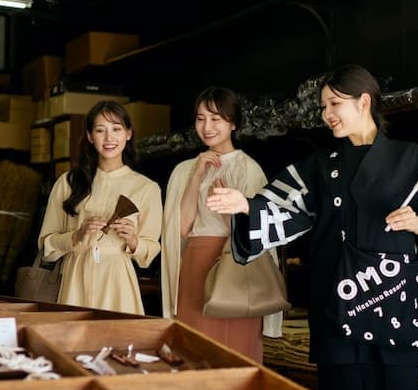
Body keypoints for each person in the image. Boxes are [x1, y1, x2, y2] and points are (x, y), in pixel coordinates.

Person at [206, 65, 418, 390]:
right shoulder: (319, 164)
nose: (327, 114)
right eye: (323, 106)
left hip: (395, 302)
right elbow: (281, 207)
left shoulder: (412, 157)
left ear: (364, 101)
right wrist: (246, 206)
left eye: (334, 104)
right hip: (338, 303)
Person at [160, 87, 282, 364]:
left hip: (239, 265)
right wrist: (196, 177)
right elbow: (181, 228)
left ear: (233, 123)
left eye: (216, 118)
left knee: (238, 347)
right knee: (195, 347)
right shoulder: (183, 170)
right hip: (196, 263)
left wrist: (230, 207)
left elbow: (262, 230)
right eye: (201, 118)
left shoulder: (250, 168)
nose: (207, 127)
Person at [38, 101, 161, 315]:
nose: (109, 138)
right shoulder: (68, 182)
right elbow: (46, 246)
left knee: (116, 334)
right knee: (73, 334)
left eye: (116, 129)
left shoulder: (146, 187)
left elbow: (149, 251)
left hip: (118, 281)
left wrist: (133, 240)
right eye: (100, 130)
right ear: (89, 136)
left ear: (128, 134)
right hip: (75, 278)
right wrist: (77, 236)